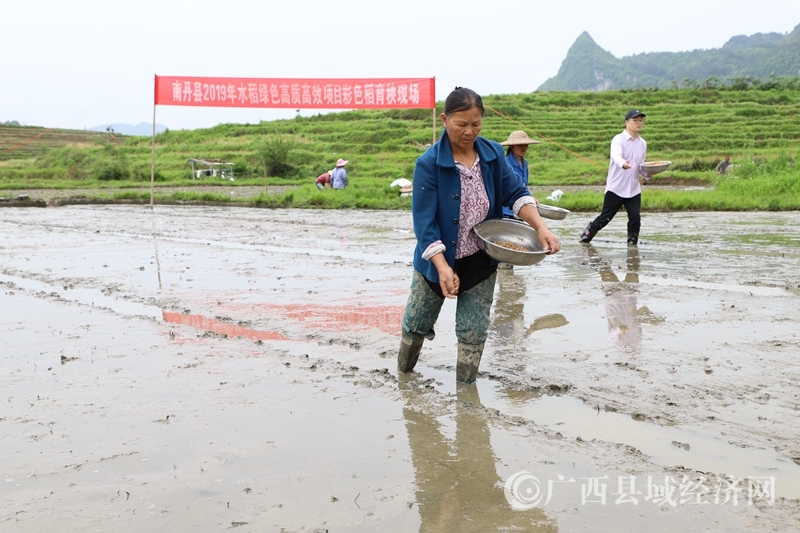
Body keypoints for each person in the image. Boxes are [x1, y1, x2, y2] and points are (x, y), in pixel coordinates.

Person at [397, 87, 560, 384]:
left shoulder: (493, 154)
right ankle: (404, 377)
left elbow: (517, 194)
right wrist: (444, 267)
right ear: (445, 120)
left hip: (480, 260)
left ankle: (467, 396)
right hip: (436, 263)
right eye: (461, 124)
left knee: (474, 331)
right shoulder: (429, 164)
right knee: (417, 323)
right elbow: (425, 225)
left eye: (476, 124)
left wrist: (542, 227)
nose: (469, 131)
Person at [579, 109, 651, 246]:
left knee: (635, 218)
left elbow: (641, 166)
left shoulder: (643, 143)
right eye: (635, 120)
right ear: (626, 123)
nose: (639, 123)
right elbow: (616, 156)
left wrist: (649, 173)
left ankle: (632, 244)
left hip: (633, 188)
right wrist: (623, 163)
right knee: (605, 218)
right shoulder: (618, 139)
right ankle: (586, 235)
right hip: (616, 188)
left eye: (641, 120)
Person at [499, 130, 541, 218]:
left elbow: (524, 186)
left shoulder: (525, 164)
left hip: (519, 209)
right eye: (519, 145)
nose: (523, 147)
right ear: (512, 146)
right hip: (506, 211)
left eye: (525, 145)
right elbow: (511, 187)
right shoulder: (506, 164)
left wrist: (530, 197)